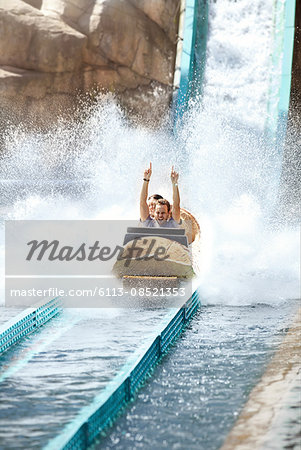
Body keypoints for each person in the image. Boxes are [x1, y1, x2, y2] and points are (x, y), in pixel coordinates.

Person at [140, 163, 181, 228]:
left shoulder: (172, 224)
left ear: (168, 213)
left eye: (163, 213)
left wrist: (174, 183)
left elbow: (176, 204)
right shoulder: (148, 223)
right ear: (154, 213)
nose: (160, 215)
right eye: (158, 212)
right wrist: (146, 180)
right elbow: (142, 202)